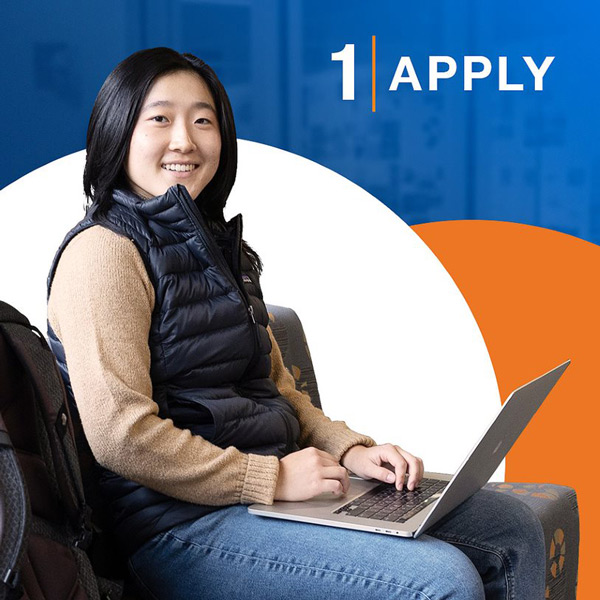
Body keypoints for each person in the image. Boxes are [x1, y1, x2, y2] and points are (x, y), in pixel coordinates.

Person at [47, 47, 546, 600]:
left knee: (509, 527)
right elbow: (121, 435)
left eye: (203, 119)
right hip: (176, 529)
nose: (185, 139)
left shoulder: (218, 248)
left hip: (268, 498)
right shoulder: (103, 253)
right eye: (160, 118)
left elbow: (279, 391)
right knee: (439, 579)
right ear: (118, 132)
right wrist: (271, 480)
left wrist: (350, 450)